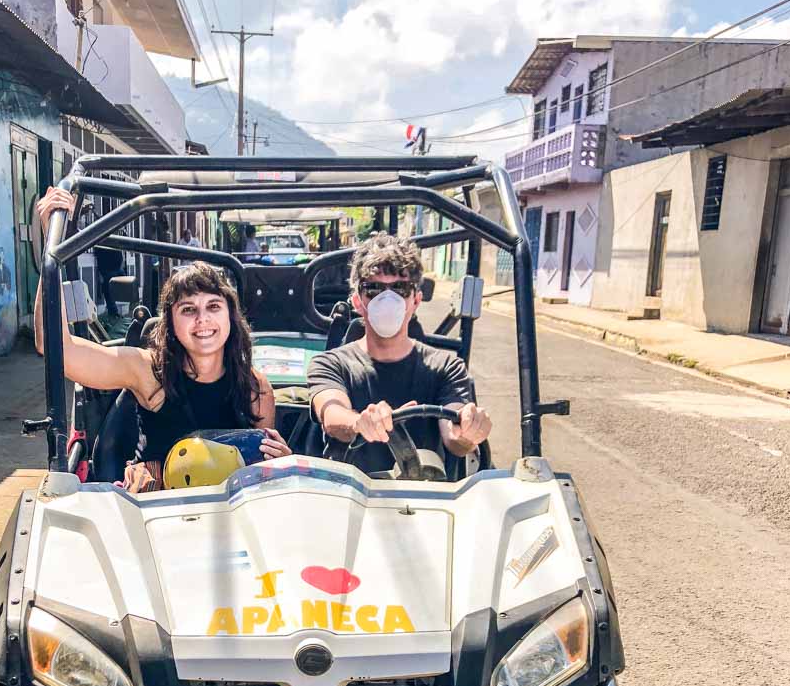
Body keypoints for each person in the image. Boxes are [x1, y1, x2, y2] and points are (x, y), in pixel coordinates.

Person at [34, 187, 290, 491]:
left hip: (228, 514)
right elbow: (56, 348)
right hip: (156, 513)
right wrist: (54, 248)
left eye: (213, 307)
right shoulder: (147, 371)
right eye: (188, 309)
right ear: (170, 322)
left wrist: (280, 462)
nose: (202, 320)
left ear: (231, 318)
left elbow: (262, 474)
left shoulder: (255, 388)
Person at [307, 233, 491, 475]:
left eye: (400, 288)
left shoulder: (446, 366)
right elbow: (332, 415)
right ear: (357, 301)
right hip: (349, 496)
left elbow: (454, 435)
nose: (387, 298)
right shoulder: (330, 363)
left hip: (426, 497)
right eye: (373, 288)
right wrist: (359, 422)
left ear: (416, 299)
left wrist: (468, 430)